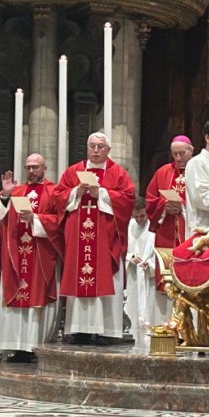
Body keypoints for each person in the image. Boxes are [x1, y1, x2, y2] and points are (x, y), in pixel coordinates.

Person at [54, 132, 135, 343]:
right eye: (92, 146)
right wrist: (76, 192)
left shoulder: (118, 173)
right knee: (79, 276)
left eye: (100, 147)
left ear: (108, 150)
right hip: (78, 237)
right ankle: (79, 330)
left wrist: (103, 194)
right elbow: (58, 196)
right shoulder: (73, 171)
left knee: (105, 278)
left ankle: (106, 331)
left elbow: (128, 198)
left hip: (105, 238)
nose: (96, 151)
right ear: (87, 149)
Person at [0, 153, 62, 363]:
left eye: (35, 167)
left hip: (40, 257)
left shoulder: (54, 191)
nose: (31, 171)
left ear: (44, 168)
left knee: (36, 299)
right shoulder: (16, 192)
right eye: (28, 167)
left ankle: (34, 347)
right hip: (15, 256)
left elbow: (61, 222)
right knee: (15, 297)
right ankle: (16, 346)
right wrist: (5, 196)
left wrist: (36, 218)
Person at [144, 135, 193, 249]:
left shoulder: (199, 171)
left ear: (191, 151)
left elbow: (205, 200)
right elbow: (150, 200)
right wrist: (164, 206)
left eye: (182, 153)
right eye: (175, 154)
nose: (178, 158)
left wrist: (183, 207)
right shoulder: (162, 172)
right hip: (166, 231)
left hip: (190, 231)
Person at [125, 198, 165, 334]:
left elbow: (159, 250)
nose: (139, 220)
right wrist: (130, 257)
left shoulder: (154, 226)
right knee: (132, 305)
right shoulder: (129, 225)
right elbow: (123, 247)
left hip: (148, 275)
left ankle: (149, 333)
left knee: (149, 306)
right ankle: (133, 333)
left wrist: (151, 263)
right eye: (135, 216)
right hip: (133, 274)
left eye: (142, 216)